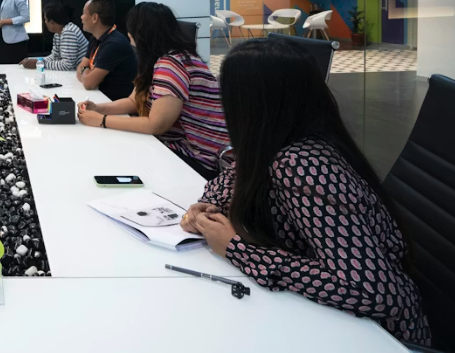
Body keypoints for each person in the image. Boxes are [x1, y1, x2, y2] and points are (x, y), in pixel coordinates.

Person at [181, 38, 430, 346]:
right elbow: (233, 177)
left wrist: (238, 249)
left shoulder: (301, 165)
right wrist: (205, 206)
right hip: (321, 317)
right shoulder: (274, 141)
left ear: (251, 105)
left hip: (375, 336)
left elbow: (374, 292)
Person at [77, 2, 228, 178]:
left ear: (141, 33)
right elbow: (134, 101)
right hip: (179, 147)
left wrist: (101, 120)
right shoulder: (160, 60)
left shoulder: (171, 65)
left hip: (198, 157)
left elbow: (156, 124)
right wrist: (98, 109)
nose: (128, 34)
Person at [74, 0, 137, 99]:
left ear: (94, 18)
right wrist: (86, 71)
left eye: (83, 13)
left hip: (116, 105)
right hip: (100, 97)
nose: (81, 17)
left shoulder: (114, 43)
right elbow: (80, 68)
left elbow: (89, 83)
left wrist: (85, 71)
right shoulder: (95, 38)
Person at [21, 2, 88, 71]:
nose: (45, 22)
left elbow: (67, 65)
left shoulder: (69, 32)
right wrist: (37, 61)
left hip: (81, 73)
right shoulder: (58, 34)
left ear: (52, 22)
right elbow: (54, 56)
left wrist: (39, 64)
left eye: (46, 19)